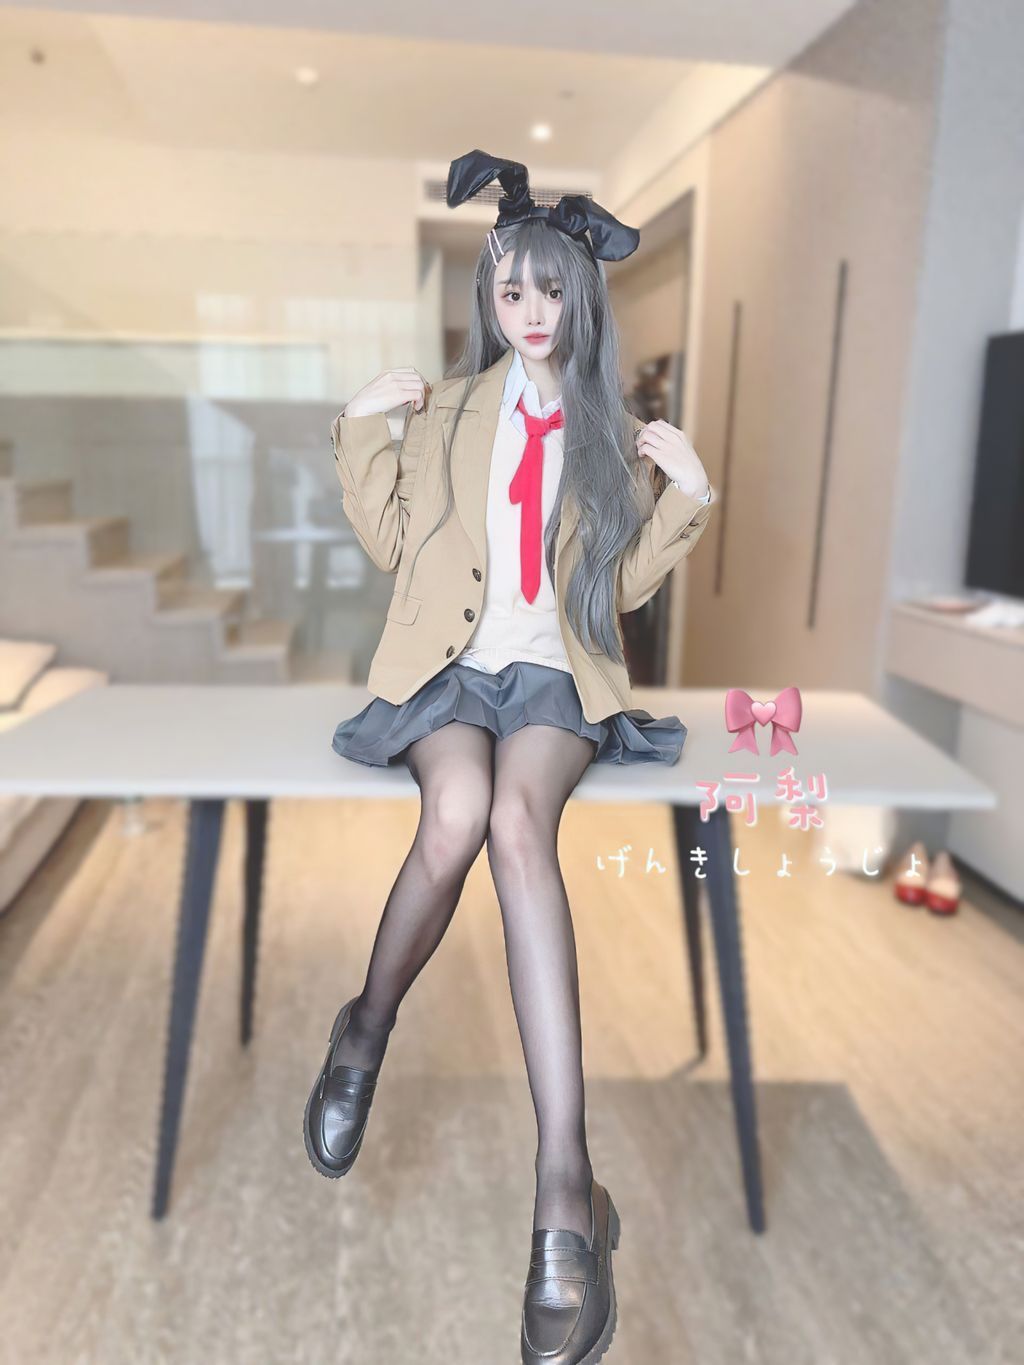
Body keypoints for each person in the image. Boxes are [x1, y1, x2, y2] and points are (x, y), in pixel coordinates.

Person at [303, 150, 715, 1365]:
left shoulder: (605, 433)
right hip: (450, 672)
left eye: (549, 292)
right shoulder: (445, 410)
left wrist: (683, 498)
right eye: (510, 291)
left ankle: (563, 1192)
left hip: (550, 682)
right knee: (454, 814)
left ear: (578, 303)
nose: (529, 311)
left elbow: (616, 589)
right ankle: (364, 1031)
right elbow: (394, 543)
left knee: (517, 824)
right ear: (491, 297)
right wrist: (363, 427)